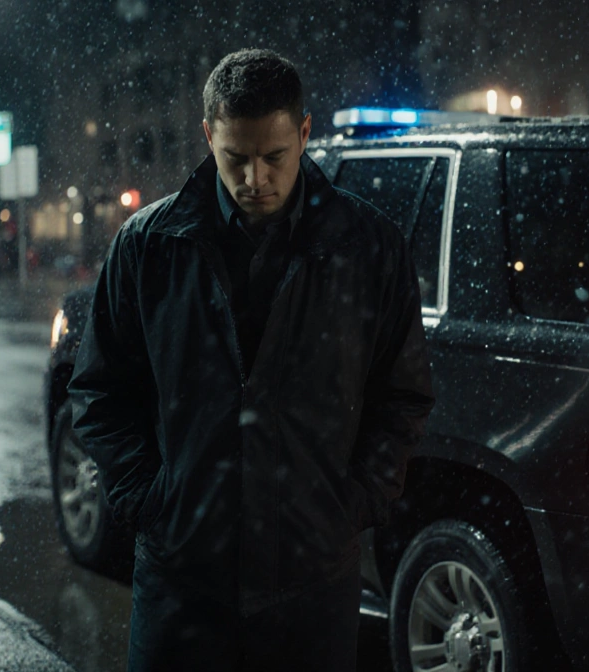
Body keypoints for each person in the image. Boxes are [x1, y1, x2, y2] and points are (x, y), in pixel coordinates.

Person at [68, 48, 434, 672]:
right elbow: (101, 392)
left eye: (275, 157)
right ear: (208, 135)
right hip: (181, 578)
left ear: (305, 133)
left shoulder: (369, 248)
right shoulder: (149, 246)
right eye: (235, 158)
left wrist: (348, 506)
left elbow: (401, 397)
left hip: (311, 579)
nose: (254, 178)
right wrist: (154, 501)